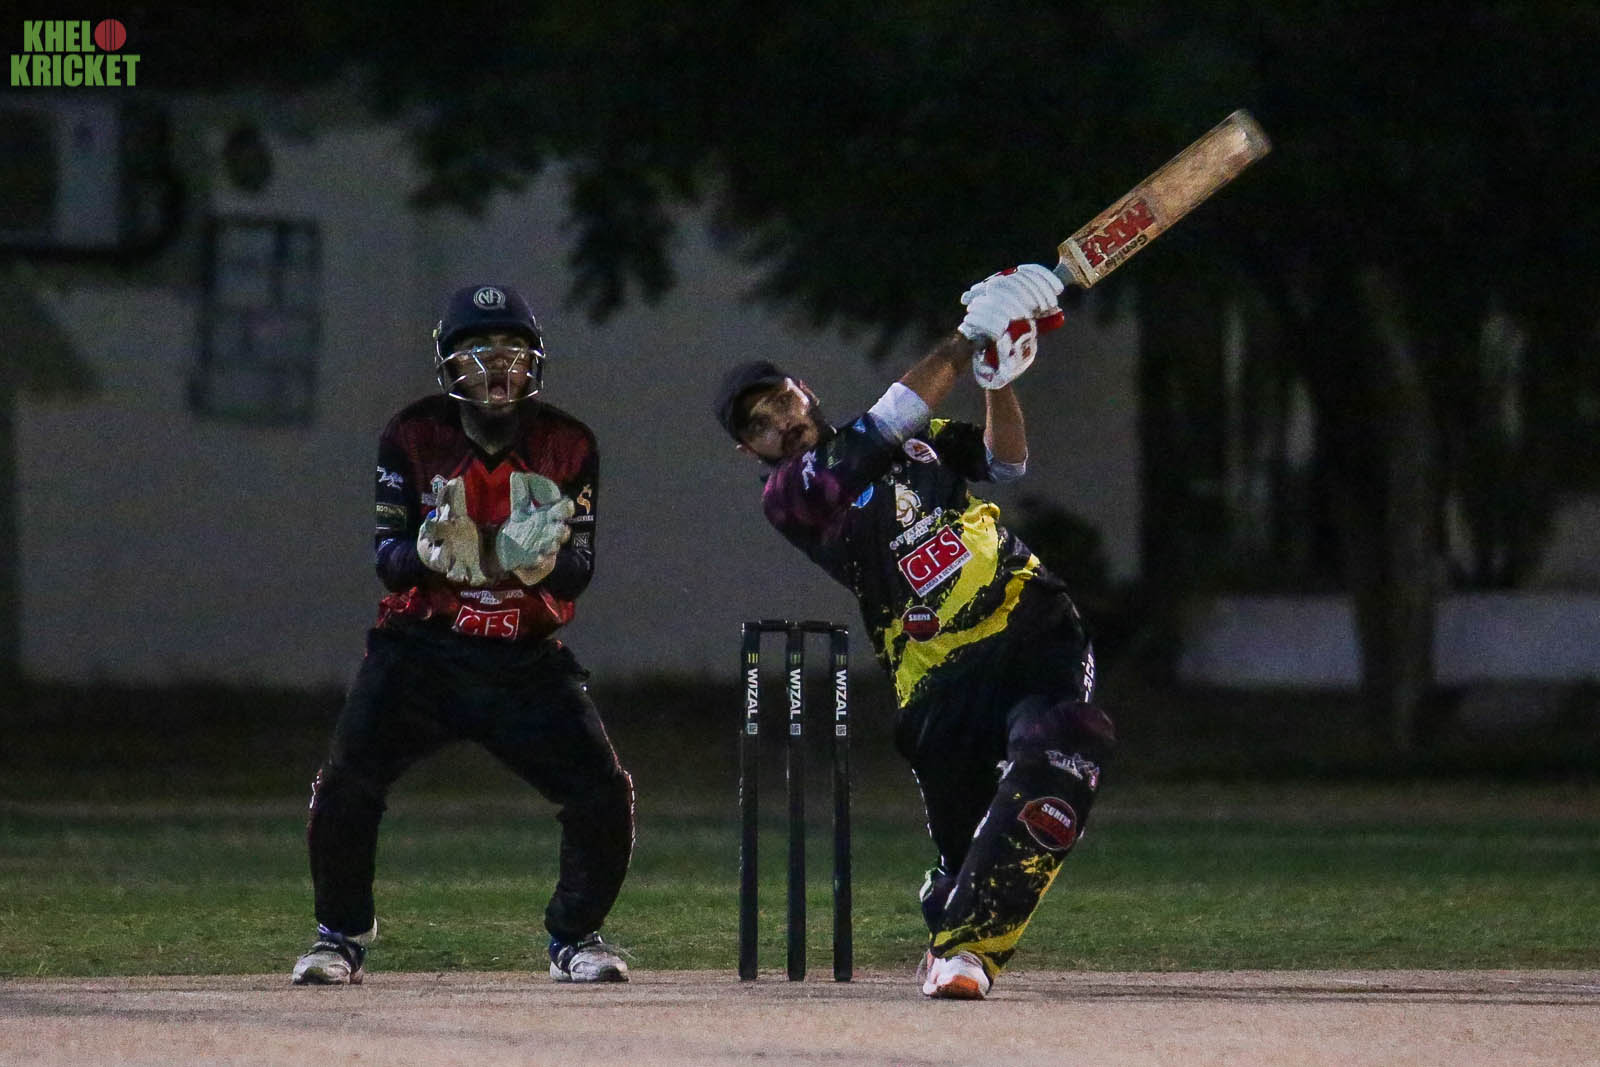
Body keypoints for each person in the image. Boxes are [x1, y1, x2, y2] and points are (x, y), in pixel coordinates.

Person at [713, 265, 1115, 1000]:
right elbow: (884, 422)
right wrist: (966, 337)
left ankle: (967, 950)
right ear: (751, 451)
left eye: (781, 401)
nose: (779, 422)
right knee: (970, 853)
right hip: (936, 679)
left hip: (1032, 622)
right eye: (758, 424)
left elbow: (1005, 460)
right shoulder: (792, 495)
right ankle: (953, 896)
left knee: (1065, 746)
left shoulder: (917, 439)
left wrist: (996, 377)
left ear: (804, 389)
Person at [292, 283, 635, 986]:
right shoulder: (413, 434)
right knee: (347, 781)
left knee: (601, 793)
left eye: (511, 348)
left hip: (523, 658)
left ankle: (575, 936)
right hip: (422, 649)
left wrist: (541, 562)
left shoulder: (568, 442)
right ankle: (340, 935)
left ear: (534, 359)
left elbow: (579, 572)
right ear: (448, 361)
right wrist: (427, 551)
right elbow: (389, 561)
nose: (497, 365)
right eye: (477, 349)